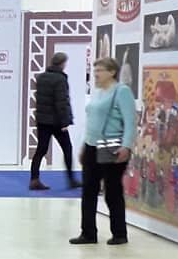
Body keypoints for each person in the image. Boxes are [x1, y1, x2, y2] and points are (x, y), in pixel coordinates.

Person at [71, 56, 137, 246]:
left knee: (112, 191)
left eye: (100, 70)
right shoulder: (98, 92)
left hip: (112, 148)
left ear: (112, 72)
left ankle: (119, 233)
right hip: (92, 146)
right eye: (95, 70)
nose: (96, 74)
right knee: (88, 190)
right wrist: (84, 145)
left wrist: (126, 146)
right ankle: (88, 233)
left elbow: (130, 122)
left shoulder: (122, 92)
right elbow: (92, 122)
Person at [29, 52, 80, 191]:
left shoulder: (41, 77)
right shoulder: (60, 79)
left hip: (42, 120)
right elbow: (61, 102)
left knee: (41, 149)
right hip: (56, 122)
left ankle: (34, 179)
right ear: (63, 63)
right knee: (67, 148)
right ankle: (71, 180)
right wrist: (65, 122)